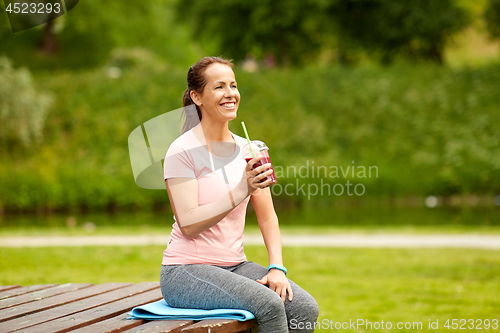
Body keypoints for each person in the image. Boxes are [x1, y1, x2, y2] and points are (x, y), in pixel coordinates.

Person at [160, 56, 319, 333]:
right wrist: (241, 189)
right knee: (269, 304)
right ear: (197, 97)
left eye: (233, 85)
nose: (230, 93)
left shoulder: (250, 150)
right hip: (185, 270)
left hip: (235, 266)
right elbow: (189, 224)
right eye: (219, 87)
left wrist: (276, 268)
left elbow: (268, 218)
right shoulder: (181, 151)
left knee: (304, 307)